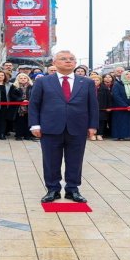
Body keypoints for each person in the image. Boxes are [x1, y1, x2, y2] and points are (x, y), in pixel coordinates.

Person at [30, 50, 99, 203]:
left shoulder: (86, 82)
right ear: (54, 63)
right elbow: (34, 104)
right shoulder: (43, 81)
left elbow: (93, 106)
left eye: (71, 59)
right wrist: (35, 125)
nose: (68, 61)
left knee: (75, 160)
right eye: (63, 59)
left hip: (78, 128)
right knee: (50, 160)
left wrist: (93, 125)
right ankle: (52, 189)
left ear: (75, 63)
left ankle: (72, 189)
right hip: (50, 128)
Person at [0, 71, 21, 140]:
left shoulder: (10, 84)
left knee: (3, 120)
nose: (0, 77)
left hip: (6, 105)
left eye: (2, 75)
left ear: (4, 76)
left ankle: (2, 134)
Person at [12, 73, 34, 141]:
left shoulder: (32, 86)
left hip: (30, 106)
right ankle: (18, 135)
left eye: (24, 78)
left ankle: (27, 135)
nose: (23, 79)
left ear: (28, 79)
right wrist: (21, 100)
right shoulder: (14, 86)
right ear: (18, 79)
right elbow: (12, 95)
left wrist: (28, 100)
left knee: (28, 122)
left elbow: (34, 95)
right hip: (18, 107)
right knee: (19, 122)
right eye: (21, 78)